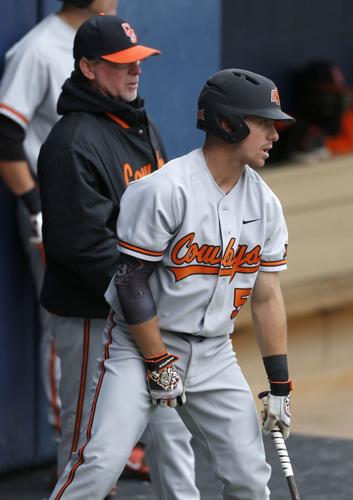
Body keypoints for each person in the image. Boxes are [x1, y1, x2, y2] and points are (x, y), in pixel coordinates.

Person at [49, 68, 295, 500]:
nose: (274, 133)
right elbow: (130, 281)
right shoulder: (165, 189)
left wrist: (279, 385)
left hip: (216, 352)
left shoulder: (266, 204)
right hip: (138, 345)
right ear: (227, 122)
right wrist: (158, 360)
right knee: (100, 463)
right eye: (263, 122)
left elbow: (267, 295)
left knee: (250, 479)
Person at [38, 14, 200, 500]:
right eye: (121, 64)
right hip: (93, 315)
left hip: (146, 311)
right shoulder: (71, 143)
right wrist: (146, 297)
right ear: (88, 67)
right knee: (90, 447)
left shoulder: (138, 122)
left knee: (172, 436)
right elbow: (83, 248)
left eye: (138, 62)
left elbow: (168, 207)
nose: (135, 72)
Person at [0, 0, 117, 437]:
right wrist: (36, 209)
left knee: (107, 322)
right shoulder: (37, 49)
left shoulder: (101, 43)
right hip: (53, 209)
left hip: (97, 207)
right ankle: (69, 445)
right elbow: (6, 136)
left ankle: (105, 438)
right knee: (63, 327)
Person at [269, 61, 350, 164]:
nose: (337, 100)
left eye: (338, 94)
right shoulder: (287, 126)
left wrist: (327, 145)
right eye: (329, 94)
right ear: (311, 95)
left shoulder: (345, 120)